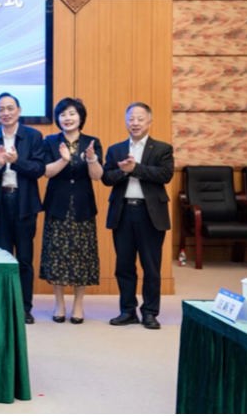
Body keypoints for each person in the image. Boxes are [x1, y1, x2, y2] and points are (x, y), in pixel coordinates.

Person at [102, 102, 174, 331]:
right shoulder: (115, 149)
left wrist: (136, 168)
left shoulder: (162, 148)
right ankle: (128, 311)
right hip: (123, 212)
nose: (135, 123)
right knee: (124, 265)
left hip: (150, 214)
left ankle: (150, 312)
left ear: (149, 121)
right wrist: (122, 171)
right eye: (131, 119)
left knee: (151, 266)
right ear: (126, 122)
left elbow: (165, 175)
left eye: (140, 119)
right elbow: (106, 178)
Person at [0, 93, 45, 324]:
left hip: (24, 203)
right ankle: (5, 306)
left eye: (10, 108)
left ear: (19, 110)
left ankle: (25, 307)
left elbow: (38, 169)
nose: (5, 113)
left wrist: (16, 161)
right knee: (3, 257)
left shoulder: (33, 136)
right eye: (1, 109)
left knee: (24, 258)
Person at [40, 98, 103, 325]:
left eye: (72, 113)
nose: (67, 118)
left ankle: (78, 304)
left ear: (80, 117)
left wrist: (92, 158)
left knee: (82, 256)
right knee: (56, 256)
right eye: (63, 114)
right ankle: (59, 303)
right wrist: (64, 160)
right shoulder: (50, 141)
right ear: (58, 119)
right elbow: (47, 172)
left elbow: (97, 176)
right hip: (57, 206)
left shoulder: (92, 142)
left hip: (83, 207)